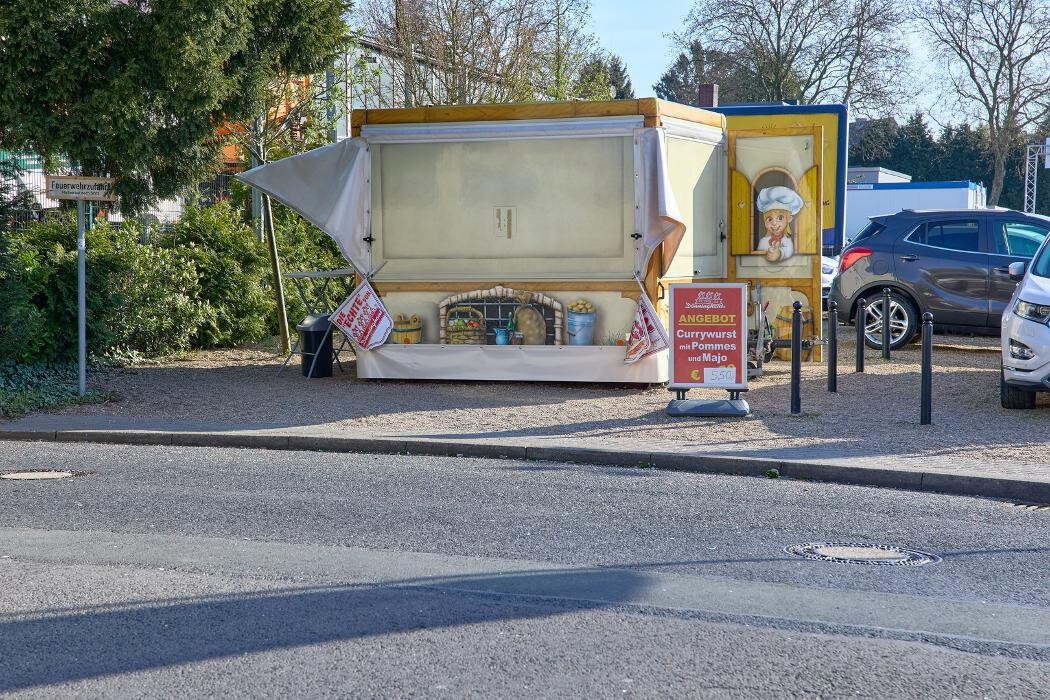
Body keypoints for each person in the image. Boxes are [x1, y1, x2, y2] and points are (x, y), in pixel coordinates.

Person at [755, 186, 804, 263]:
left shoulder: (787, 241)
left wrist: (778, 254)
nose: (774, 223)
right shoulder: (763, 241)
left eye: (780, 218)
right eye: (769, 219)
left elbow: (787, 253)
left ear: (789, 218)